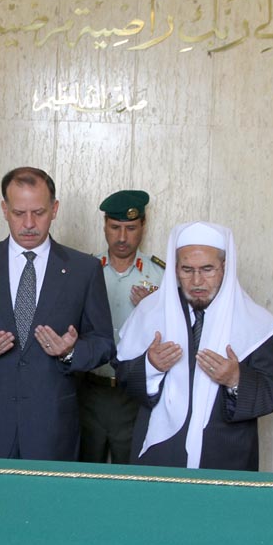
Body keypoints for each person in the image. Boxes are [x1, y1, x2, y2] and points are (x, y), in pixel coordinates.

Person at [0, 167, 113, 461]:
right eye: (19, 213)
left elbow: (104, 343)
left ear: (54, 209)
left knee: (44, 508)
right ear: (4, 209)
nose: (29, 224)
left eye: (39, 212)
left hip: (51, 428)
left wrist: (70, 352)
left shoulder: (84, 270)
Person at [114, 221, 273, 471]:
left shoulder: (254, 322)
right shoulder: (151, 312)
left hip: (226, 456)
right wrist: (150, 367)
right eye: (187, 269)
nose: (197, 281)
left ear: (225, 268)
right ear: (175, 269)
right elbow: (123, 376)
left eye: (207, 269)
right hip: (160, 454)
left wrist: (236, 379)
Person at [78, 189, 165, 464]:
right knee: (82, 474)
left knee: (130, 477)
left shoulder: (161, 275)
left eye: (131, 228)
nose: (122, 237)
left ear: (143, 226)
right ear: (104, 226)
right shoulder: (83, 271)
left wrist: (154, 311)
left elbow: (178, 336)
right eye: (115, 227)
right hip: (88, 389)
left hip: (135, 393)